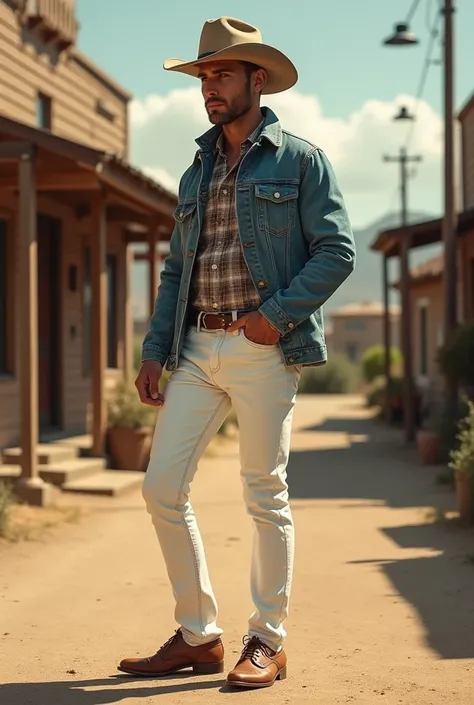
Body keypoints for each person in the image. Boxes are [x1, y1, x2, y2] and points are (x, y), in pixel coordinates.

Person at [118, 16, 355, 689]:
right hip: (196, 344)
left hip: (262, 347)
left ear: (258, 79)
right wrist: (155, 347)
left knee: (264, 492)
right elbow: (175, 268)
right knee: (162, 485)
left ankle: (267, 639)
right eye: (203, 76)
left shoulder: (300, 160)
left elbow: (337, 250)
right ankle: (198, 633)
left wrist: (274, 317)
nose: (209, 88)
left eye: (221, 74)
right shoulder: (196, 170)